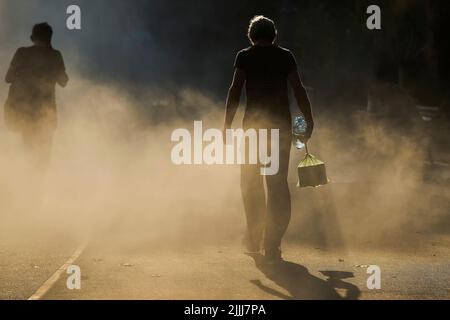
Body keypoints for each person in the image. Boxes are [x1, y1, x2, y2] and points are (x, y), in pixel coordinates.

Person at [224, 16, 314, 262]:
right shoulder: (285, 56)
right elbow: (299, 89)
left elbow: (235, 91)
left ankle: (254, 235)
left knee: (251, 183)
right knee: (277, 186)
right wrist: (308, 120)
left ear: (252, 36)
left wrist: (226, 125)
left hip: (253, 130)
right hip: (280, 130)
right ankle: (273, 243)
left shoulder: (244, 56)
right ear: (273, 35)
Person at [4, 22, 68, 166]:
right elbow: (64, 81)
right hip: (47, 113)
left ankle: (30, 184)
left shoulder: (22, 52)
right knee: (44, 156)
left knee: (29, 153)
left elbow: (8, 78)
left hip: (26, 112)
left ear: (32, 37)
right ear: (50, 38)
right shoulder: (55, 55)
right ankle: (41, 185)